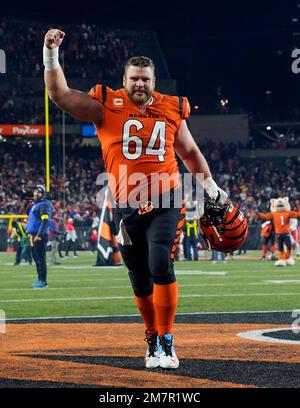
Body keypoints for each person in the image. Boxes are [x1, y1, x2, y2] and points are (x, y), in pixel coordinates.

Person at [43, 28, 228, 369]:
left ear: (154, 81)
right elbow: (59, 94)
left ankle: (168, 340)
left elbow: (189, 152)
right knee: (139, 277)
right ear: (123, 80)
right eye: (134, 79)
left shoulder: (172, 108)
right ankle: (152, 337)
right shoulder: (105, 104)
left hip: (166, 199)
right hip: (126, 206)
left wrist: (211, 187)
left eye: (145, 79)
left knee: (160, 263)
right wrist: (51, 54)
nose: (140, 84)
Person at [26, 185, 53, 287]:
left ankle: (43, 281)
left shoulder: (43, 205)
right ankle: (39, 279)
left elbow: (45, 221)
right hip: (33, 235)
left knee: (40, 259)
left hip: (39, 235)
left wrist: (39, 235)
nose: (36, 193)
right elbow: (31, 218)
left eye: (39, 192)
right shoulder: (36, 205)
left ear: (43, 194)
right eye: (35, 191)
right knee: (36, 259)